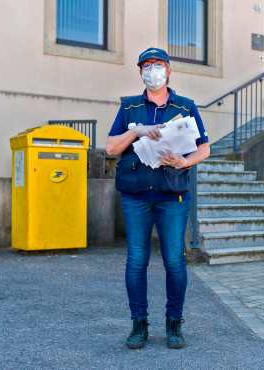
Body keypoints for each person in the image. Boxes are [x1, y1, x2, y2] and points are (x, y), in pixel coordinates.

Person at [106, 47, 210, 349]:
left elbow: (204, 147)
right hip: (136, 195)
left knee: (174, 262)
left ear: (169, 70)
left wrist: (184, 162)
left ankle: (174, 324)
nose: (153, 70)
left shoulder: (186, 106)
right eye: (147, 65)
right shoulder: (129, 108)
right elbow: (112, 148)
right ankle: (139, 325)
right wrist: (137, 131)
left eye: (158, 64)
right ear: (140, 71)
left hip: (171, 195)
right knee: (136, 260)